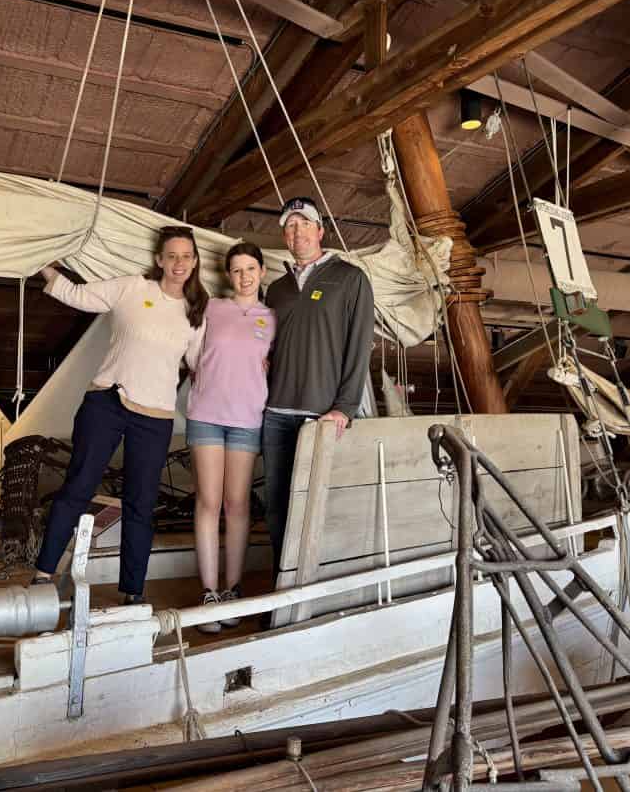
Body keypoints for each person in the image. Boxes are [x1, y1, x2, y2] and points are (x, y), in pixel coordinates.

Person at [32, 226, 208, 604]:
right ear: (159, 259)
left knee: (140, 504)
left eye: (186, 256)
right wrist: (42, 263)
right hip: (107, 403)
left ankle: (132, 592)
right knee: (78, 487)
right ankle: (43, 573)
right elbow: (78, 295)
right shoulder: (132, 288)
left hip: (155, 417)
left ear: (195, 262)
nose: (179, 263)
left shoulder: (196, 314)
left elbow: (199, 366)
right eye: (172, 256)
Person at [261, 196, 375, 571]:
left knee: (322, 506)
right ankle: (282, 583)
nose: (297, 232)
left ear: (320, 230)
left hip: (323, 415)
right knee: (278, 504)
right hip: (276, 413)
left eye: (305, 224)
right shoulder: (276, 289)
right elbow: (269, 345)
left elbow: (359, 346)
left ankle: (319, 585)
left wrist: (344, 407)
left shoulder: (350, 279)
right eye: (290, 226)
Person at [185, 242, 275, 633]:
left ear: (262, 271)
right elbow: (189, 349)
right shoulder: (211, 308)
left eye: (250, 268)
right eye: (237, 270)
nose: (244, 276)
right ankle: (208, 592)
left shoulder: (272, 317)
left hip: (247, 418)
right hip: (206, 415)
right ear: (228, 275)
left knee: (237, 504)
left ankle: (232, 589)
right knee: (208, 501)